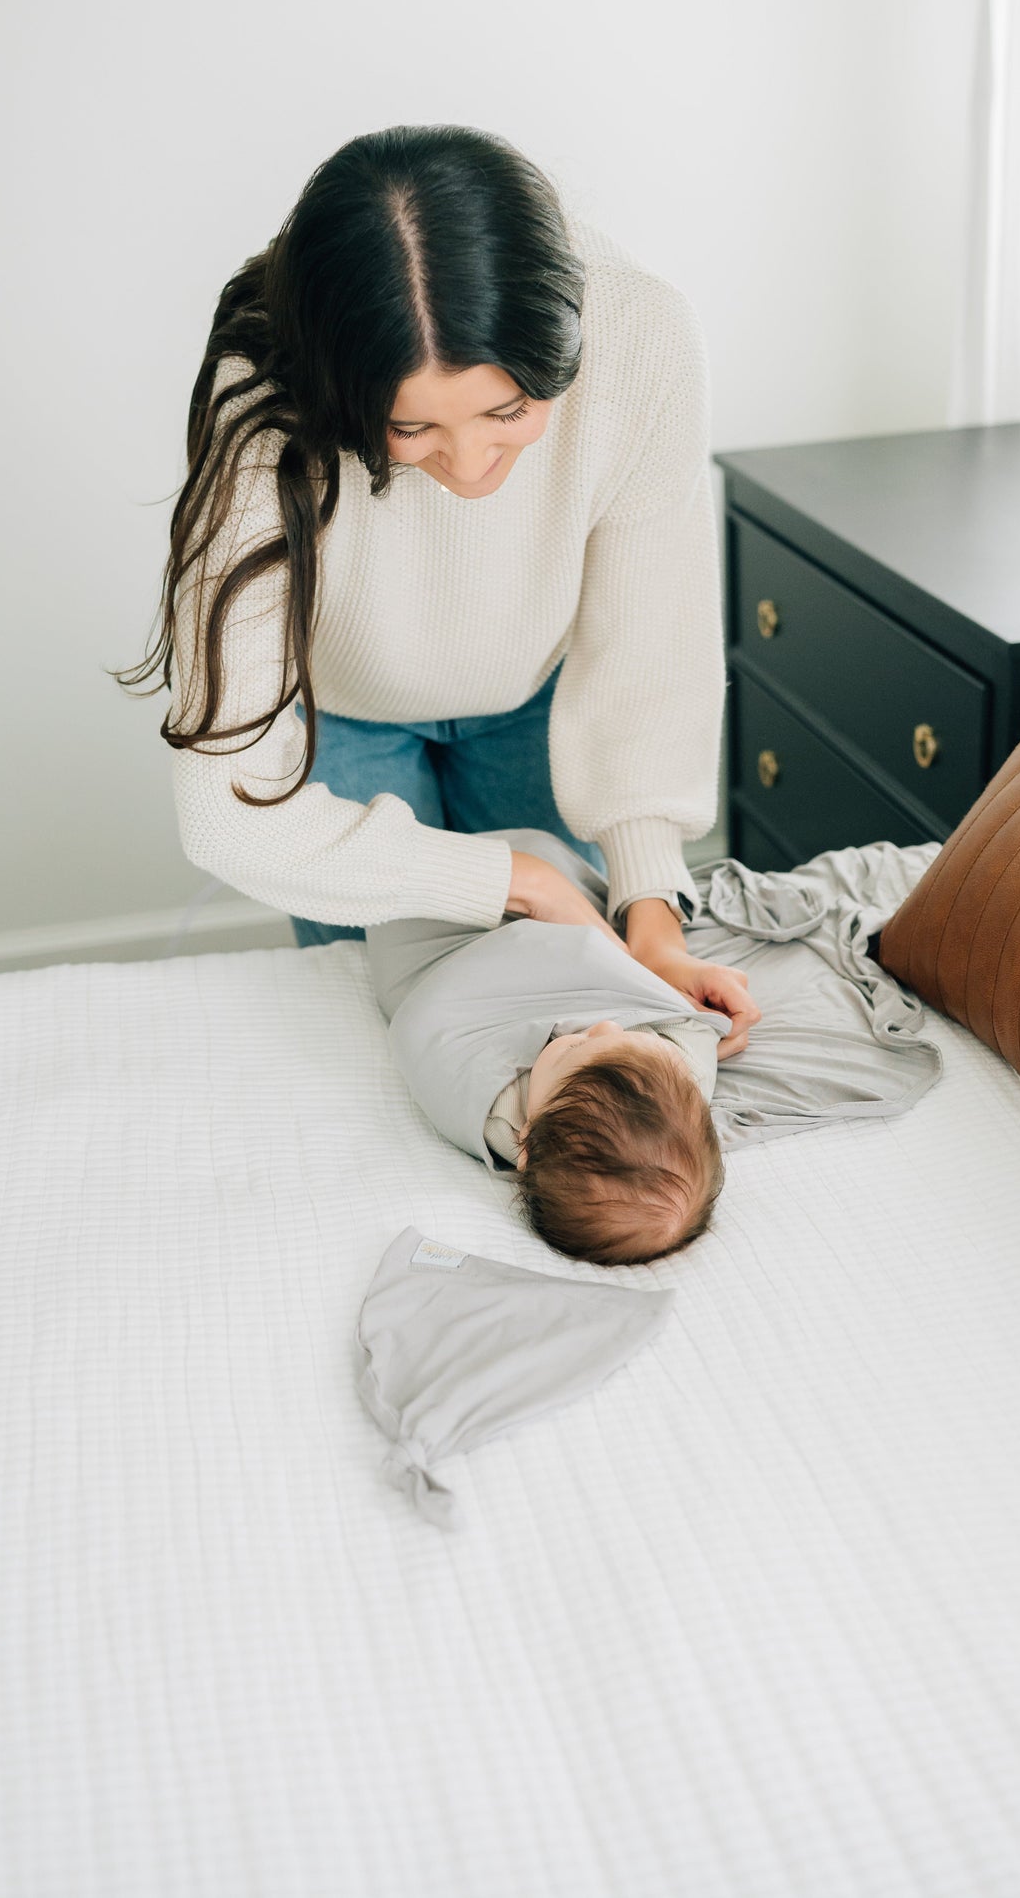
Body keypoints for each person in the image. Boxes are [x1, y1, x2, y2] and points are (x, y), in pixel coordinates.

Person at [122, 124, 759, 1053]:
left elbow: (649, 647)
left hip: (539, 707)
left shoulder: (644, 338)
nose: (467, 467)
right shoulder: (265, 380)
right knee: (389, 1024)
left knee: (568, 1016)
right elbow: (228, 812)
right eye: (408, 428)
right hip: (342, 725)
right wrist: (520, 881)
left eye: (509, 413)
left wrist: (651, 912)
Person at [366, 830, 944, 1267]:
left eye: (568, 1052)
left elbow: (429, 1023)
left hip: (440, 953)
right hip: (531, 889)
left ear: (523, 1143)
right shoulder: (672, 1080)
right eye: (629, 1044)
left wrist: (574, 958)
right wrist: (676, 1013)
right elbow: (686, 1034)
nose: (603, 1029)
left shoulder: (492, 1110)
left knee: (392, 917)